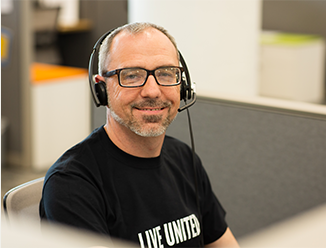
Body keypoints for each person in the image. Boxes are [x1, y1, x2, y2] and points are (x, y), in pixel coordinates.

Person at [40, 22, 239, 248]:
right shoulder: (72, 184)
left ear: (182, 86)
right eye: (132, 75)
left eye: (165, 73)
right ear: (101, 88)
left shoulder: (184, 158)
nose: (152, 91)